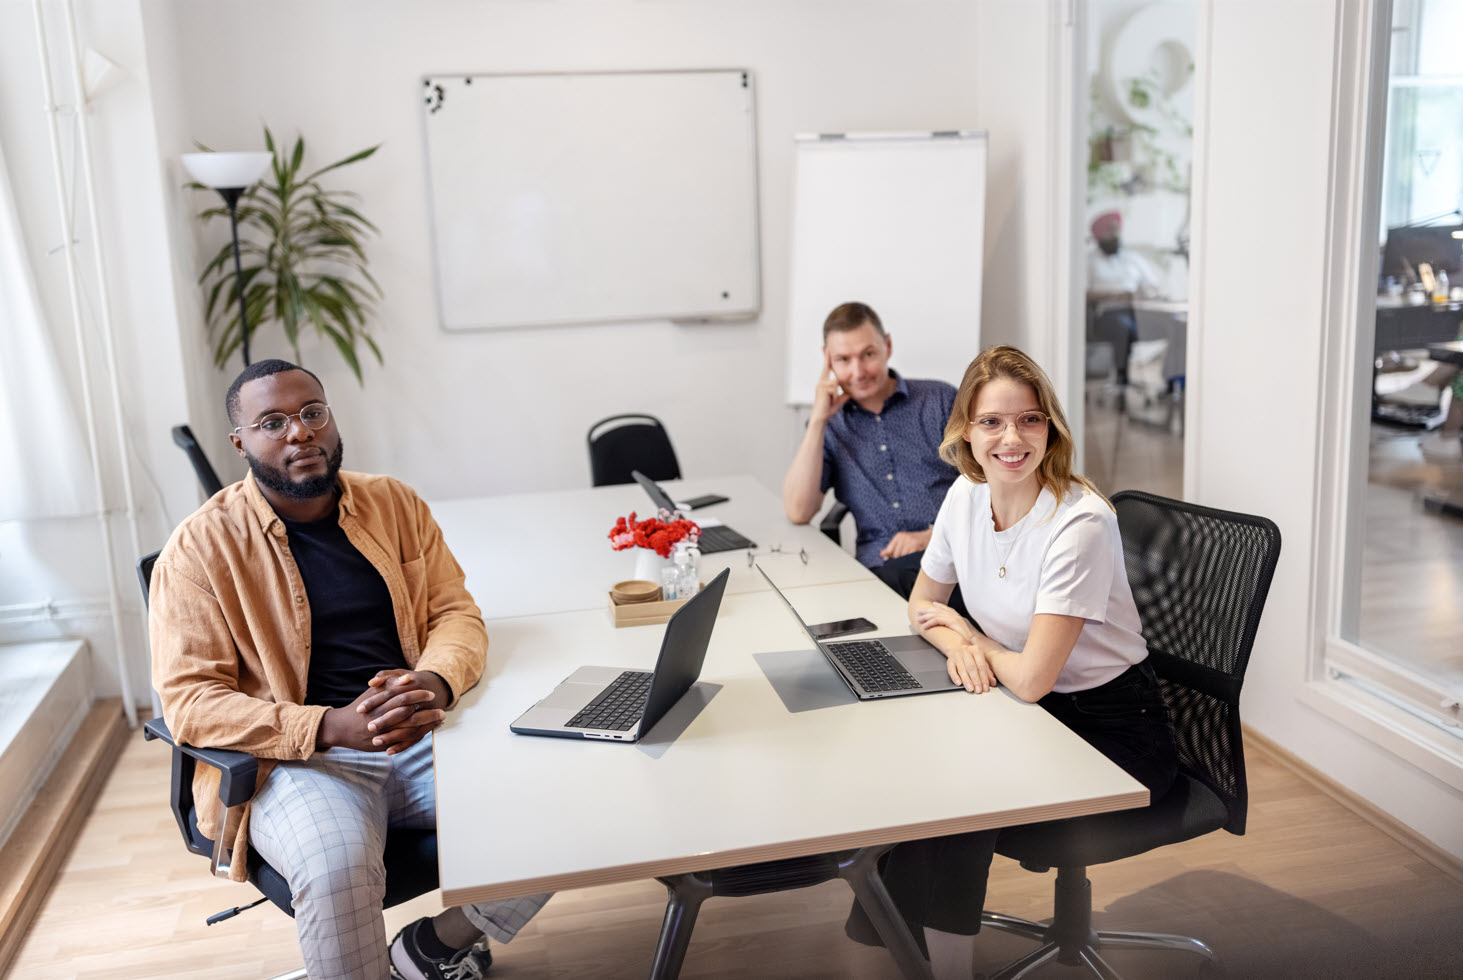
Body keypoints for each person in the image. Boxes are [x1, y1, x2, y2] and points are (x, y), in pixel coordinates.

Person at [149, 359, 550, 980]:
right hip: (297, 760)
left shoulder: (394, 503)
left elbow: (456, 614)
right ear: (241, 443)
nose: (299, 433)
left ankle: (433, 948)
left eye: (312, 413)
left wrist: (434, 681)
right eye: (272, 422)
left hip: (417, 732)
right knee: (336, 865)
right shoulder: (199, 548)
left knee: (563, 807)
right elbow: (190, 703)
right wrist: (328, 727)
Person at [843, 345, 1179, 980]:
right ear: (967, 431)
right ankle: (898, 949)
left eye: (1029, 419)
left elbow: (1030, 678)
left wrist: (974, 640)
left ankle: (940, 969)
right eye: (992, 421)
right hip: (1037, 709)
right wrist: (962, 643)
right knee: (928, 768)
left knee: (971, 792)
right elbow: (922, 603)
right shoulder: (967, 496)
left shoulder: (1078, 524)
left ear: (1049, 426)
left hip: (1114, 732)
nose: (1011, 438)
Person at [782, 301, 963, 605]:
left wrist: (932, 536)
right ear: (828, 361)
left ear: (887, 346)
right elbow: (798, 511)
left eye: (868, 354)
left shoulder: (940, 400)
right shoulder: (831, 425)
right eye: (843, 359)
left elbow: (990, 488)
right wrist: (817, 422)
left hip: (952, 558)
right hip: (879, 571)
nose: (858, 371)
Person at [1086, 210, 1163, 386]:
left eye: (1116, 230)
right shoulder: (1089, 261)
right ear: (1098, 235)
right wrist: (1118, 295)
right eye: (1109, 231)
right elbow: (1082, 294)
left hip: (1139, 312)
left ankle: (1173, 383)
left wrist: (1148, 293)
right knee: (1124, 327)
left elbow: (1153, 285)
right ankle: (1122, 380)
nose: (1114, 235)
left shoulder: (1132, 259)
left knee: (1177, 324)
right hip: (1106, 315)